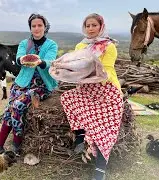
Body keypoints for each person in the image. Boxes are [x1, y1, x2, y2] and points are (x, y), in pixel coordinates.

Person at [59, 13, 123, 180]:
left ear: (101, 26)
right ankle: (80, 136)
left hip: (106, 90)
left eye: (94, 25)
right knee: (67, 98)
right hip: (86, 89)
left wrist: (90, 69)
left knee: (104, 129)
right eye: (88, 25)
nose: (91, 28)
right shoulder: (81, 46)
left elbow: (107, 70)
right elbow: (76, 67)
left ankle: (100, 169)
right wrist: (64, 67)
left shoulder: (109, 46)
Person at [0, 13, 58, 156]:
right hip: (22, 83)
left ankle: (17, 143)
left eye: (39, 25)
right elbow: (19, 58)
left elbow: (50, 61)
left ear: (45, 27)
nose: (36, 28)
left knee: (18, 106)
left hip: (41, 85)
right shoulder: (24, 43)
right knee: (9, 108)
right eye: (33, 26)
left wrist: (41, 62)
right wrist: (22, 59)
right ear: (30, 28)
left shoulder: (52, 45)